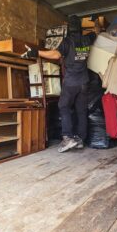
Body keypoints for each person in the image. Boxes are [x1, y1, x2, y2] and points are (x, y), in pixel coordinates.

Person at [22, 15, 99, 152]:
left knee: (63, 106)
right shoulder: (88, 38)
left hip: (71, 81)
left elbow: (56, 55)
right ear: (80, 28)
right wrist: (96, 23)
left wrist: (36, 52)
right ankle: (81, 139)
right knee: (81, 111)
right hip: (84, 81)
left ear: (69, 28)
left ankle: (68, 138)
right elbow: (97, 32)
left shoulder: (67, 41)